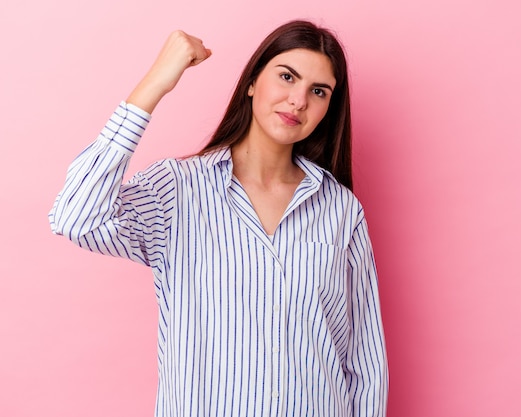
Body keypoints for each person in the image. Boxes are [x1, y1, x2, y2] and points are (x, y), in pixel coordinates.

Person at [50, 20, 388, 417]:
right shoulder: (177, 190)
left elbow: (364, 360)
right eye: (286, 77)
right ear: (251, 82)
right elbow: (76, 217)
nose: (298, 100)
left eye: (318, 91)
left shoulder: (339, 209)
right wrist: (156, 82)